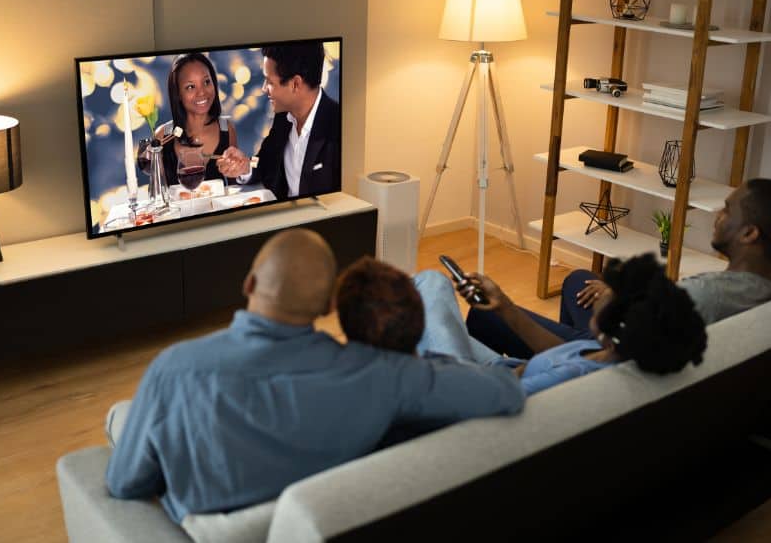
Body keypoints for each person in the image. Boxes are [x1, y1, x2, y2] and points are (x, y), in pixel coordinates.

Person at [105, 229, 524, 524]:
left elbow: (124, 484)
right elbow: (504, 391)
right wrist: (422, 364)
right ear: (328, 305)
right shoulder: (384, 375)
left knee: (121, 420)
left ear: (249, 282)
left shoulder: (174, 369)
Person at [468, 179, 771, 358]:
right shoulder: (754, 289)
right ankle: (573, 337)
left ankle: (554, 360)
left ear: (749, 234)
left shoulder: (707, 295)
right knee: (578, 281)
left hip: (604, 357)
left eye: (728, 210)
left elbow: (612, 351)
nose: (718, 215)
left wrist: (612, 303)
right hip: (639, 335)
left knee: (484, 314)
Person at [421, 254, 707, 395]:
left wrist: (516, 373)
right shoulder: (609, 353)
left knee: (432, 284)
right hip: (501, 371)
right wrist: (505, 305)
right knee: (424, 319)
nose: (607, 289)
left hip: (471, 384)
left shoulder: (572, 376)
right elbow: (561, 352)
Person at [219, 42, 340, 199]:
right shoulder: (284, 117)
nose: (263, 88)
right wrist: (246, 166)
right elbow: (263, 163)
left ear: (295, 84)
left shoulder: (339, 127)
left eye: (269, 82)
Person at [155, 52, 247, 186]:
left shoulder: (227, 129)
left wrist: (238, 168)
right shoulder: (162, 135)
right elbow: (157, 193)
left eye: (206, 82)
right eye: (191, 87)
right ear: (178, 93)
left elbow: (234, 187)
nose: (202, 92)